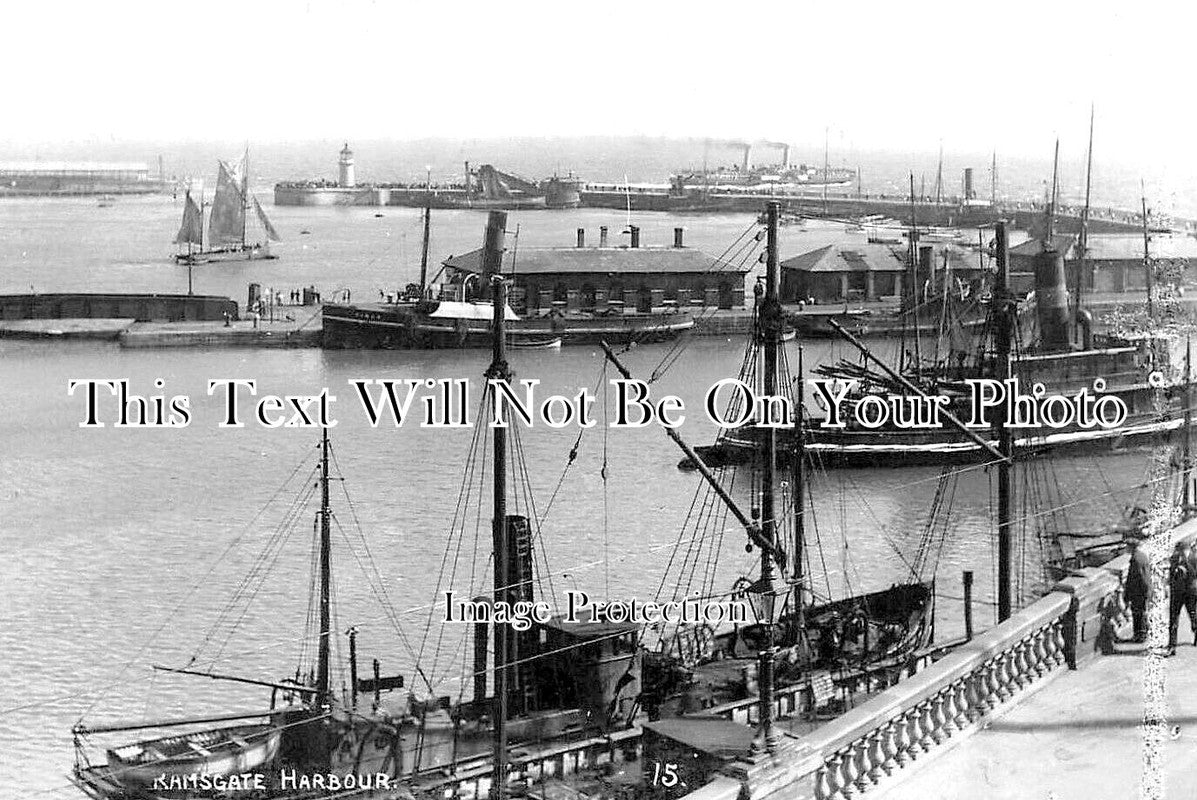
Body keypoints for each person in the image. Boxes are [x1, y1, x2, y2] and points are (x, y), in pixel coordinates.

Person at [1168, 540, 1197, 652]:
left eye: (1183, 552)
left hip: (1190, 592)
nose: (1181, 554)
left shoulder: (1194, 558)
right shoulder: (1174, 559)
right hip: (1177, 592)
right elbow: (1171, 575)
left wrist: (1186, 569)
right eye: (1180, 552)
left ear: (1188, 550)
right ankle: (1172, 645)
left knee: (1193, 615)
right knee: (1173, 618)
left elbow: (1195, 576)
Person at [1125, 539, 1151, 644]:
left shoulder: (1135, 559)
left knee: (1137, 614)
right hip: (1143, 590)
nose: (1125, 548)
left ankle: (1139, 636)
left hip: (1138, 591)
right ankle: (1143, 634)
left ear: (1132, 547)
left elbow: (1137, 577)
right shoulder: (1143, 556)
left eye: (1127, 546)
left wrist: (1127, 594)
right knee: (1142, 612)